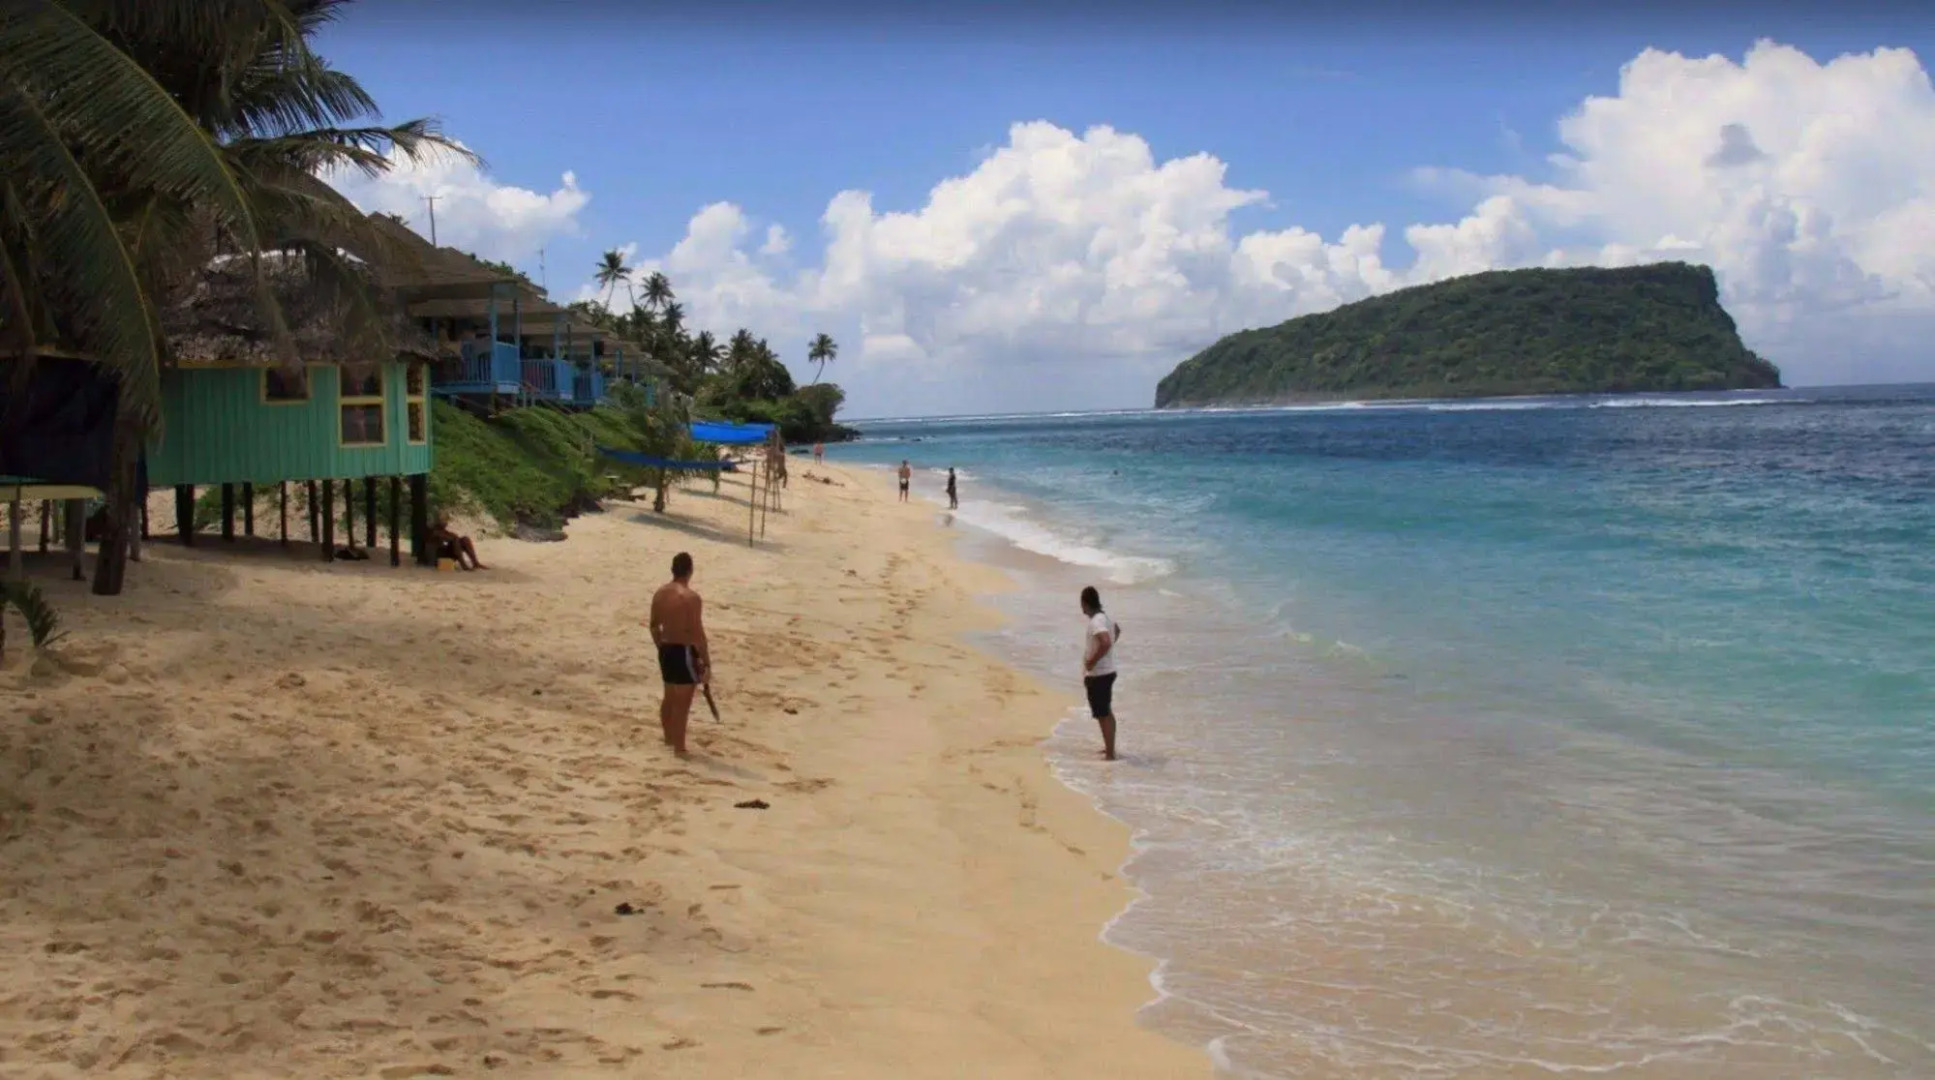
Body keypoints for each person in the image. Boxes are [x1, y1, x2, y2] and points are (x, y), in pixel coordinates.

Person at [648, 552, 710, 755]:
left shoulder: (660, 594)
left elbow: (654, 626)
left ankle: (668, 738)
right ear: (690, 571)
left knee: (669, 697)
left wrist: (661, 647)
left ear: (672, 570)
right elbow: (697, 633)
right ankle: (679, 748)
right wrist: (706, 662)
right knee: (682, 704)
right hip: (683, 650)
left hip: (666, 648)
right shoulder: (692, 598)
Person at [1080, 585, 1123, 760]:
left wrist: (1092, 661)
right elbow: (1116, 630)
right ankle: (1109, 748)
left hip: (1100, 674)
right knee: (1106, 712)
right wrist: (1106, 652)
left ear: (1085, 603)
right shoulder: (1105, 618)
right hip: (1108, 671)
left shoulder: (1096, 622)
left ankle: (1110, 754)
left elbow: (1105, 642)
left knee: (1103, 714)